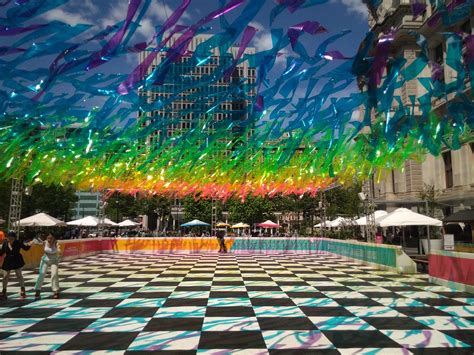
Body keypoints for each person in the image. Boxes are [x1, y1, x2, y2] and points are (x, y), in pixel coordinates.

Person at [0, 231, 32, 300]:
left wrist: (30, 244)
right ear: (7, 238)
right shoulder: (5, 243)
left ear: (14, 238)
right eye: (9, 238)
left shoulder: (17, 242)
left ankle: (22, 289)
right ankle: (4, 291)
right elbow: (2, 252)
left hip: (16, 259)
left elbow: (25, 248)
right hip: (8, 259)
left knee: (18, 275)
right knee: (5, 276)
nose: (10, 239)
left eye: (12, 238)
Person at [34, 233, 61, 299]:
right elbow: (37, 242)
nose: (49, 239)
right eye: (48, 238)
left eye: (51, 238)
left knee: (54, 274)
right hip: (45, 260)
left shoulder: (56, 243)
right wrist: (33, 242)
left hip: (54, 260)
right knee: (42, 274)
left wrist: (59, 250)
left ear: (54, 238)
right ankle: (37, 290)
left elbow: (59, 250)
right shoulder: (44, 242)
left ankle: (55, 291)